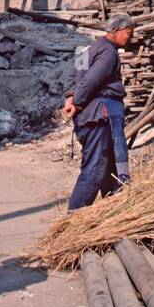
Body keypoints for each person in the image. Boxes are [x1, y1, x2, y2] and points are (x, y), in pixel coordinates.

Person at [64, 13, 134, 210]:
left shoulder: (90, 49)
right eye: (129, 33)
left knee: (109, 168)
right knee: (95, 168)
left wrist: (70, 96)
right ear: (115, 31)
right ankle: (74, 218)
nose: (131, 38)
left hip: (89, 116)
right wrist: (76, 101)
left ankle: (116, 213)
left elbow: (73, 74)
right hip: (99, 116)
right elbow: (91, 80)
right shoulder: (108, 53)